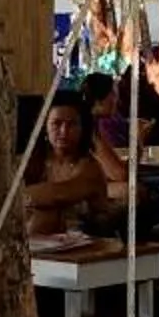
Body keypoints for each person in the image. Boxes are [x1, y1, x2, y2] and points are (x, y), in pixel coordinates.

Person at [23, 94, 111, 235]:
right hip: (48, 241)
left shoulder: (89, 168)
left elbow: (58, 195)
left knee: (47, 214)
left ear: (83, 129)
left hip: (88, 243)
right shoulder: (37, 160)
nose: (63, 131)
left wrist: (12, 199)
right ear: (44, 126)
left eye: (72, 124)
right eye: (56, 124)